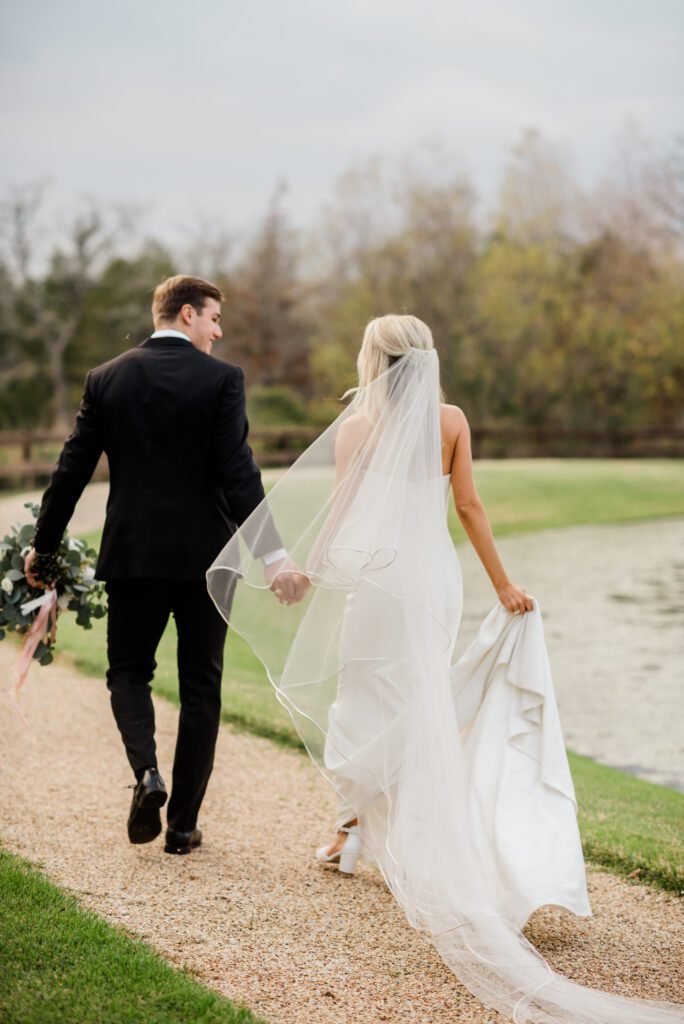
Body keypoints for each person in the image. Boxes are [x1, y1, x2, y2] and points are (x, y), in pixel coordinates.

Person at [208, 315, 683, 1023]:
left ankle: (351, 825)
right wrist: (502, 586)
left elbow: (341, 512)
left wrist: (307, 574)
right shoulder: (452, 419)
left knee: (360, 698)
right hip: (433, 581)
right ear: (424, 361)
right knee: (417, 698)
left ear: (375, 359)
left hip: (379, 581)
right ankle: (360, 827)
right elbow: (468, 507)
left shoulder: (358, 427)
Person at [25, 274, 302, 855]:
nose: (219, 332)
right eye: (214, 318)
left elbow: (70, 470)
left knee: (128, 673)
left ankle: (147, 772)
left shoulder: (107, 378)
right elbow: (239, 472)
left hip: (133, 555)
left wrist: (43, 547)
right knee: (202, 686)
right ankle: (181, 828)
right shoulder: (223, 381)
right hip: (209, 561)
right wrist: (272, 556)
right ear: (184, 314)